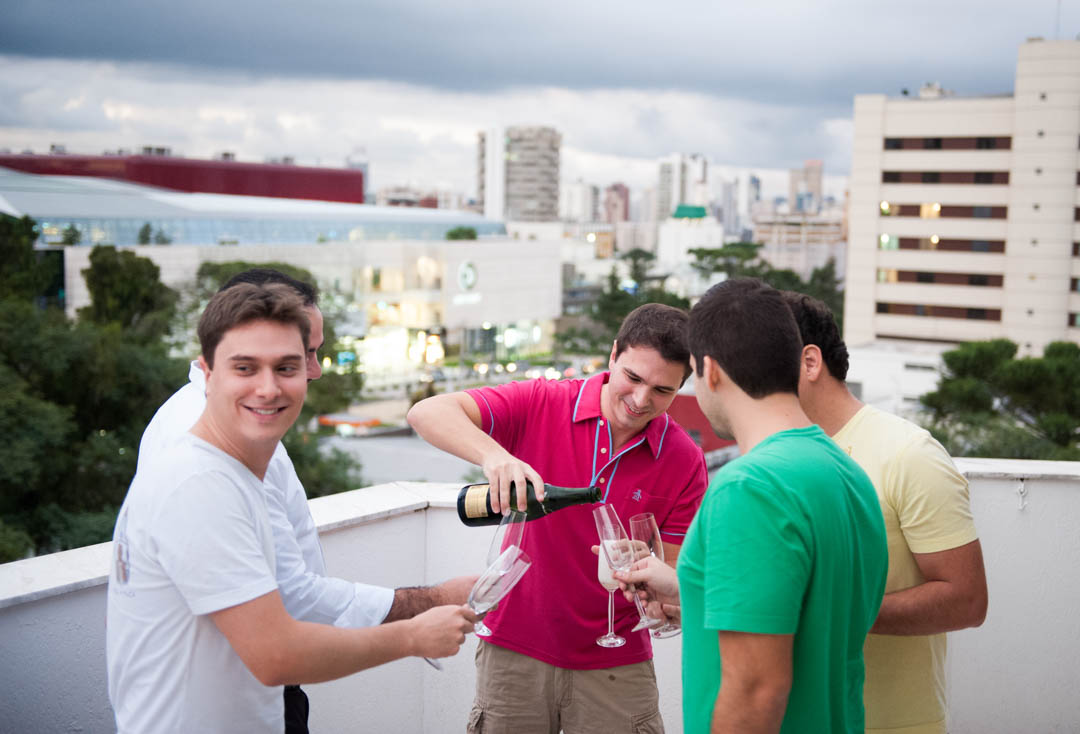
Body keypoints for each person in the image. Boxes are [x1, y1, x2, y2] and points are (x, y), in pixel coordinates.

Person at [108, 283, 477, 734]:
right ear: (206, 372)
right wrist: (413, 635)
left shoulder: (229, 468)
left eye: (287, 367)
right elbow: (275, 655)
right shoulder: (200, 483)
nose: (268, 388)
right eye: (245, 367)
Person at [407, 303, 708, 734]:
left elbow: (671, 576)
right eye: (633, 378)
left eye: (662, 390)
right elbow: (426, 412)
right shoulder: (543, 401)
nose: (641, 400)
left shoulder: (685, 460)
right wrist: (495, 456)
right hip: (513, 651)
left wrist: (660, 597)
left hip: (617, 662)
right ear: (613, 354)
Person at [646, 277, 888, 733]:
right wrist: (693, 593)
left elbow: (756, 689)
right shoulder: (846, 471)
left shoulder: (749, 488)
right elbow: (810, 612)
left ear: (710, 371)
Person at [781, 291, 987, 734]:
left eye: (761, 362)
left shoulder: (909, 453)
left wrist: (827, 612)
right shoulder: (776, 457)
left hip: (892, 723)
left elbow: (967, 601)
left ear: (810, 362)